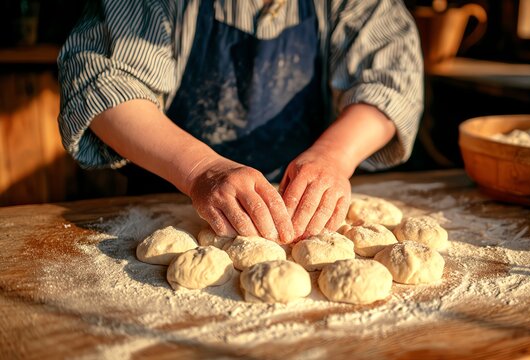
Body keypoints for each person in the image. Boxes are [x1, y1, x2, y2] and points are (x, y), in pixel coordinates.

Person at [57, 0, 423, 244]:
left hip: (302, 209)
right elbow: (102, 84)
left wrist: (333, 156)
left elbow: (391, 82)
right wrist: (201, 169)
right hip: (166, 206)